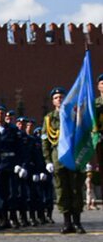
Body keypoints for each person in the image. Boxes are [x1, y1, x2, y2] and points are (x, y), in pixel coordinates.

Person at [42, 86, 86, 234]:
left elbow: (82, 135)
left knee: (75, 189)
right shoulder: (49, 118)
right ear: (53, 101)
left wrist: (84, 158)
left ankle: (77, 222)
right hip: (58, 158)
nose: (59, 99)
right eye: (56, 98)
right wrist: (48, 161)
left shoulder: (74, 115)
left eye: (61, 97)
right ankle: (67, 223)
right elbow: (45, 141)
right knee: (62, 191)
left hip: (73, 157)